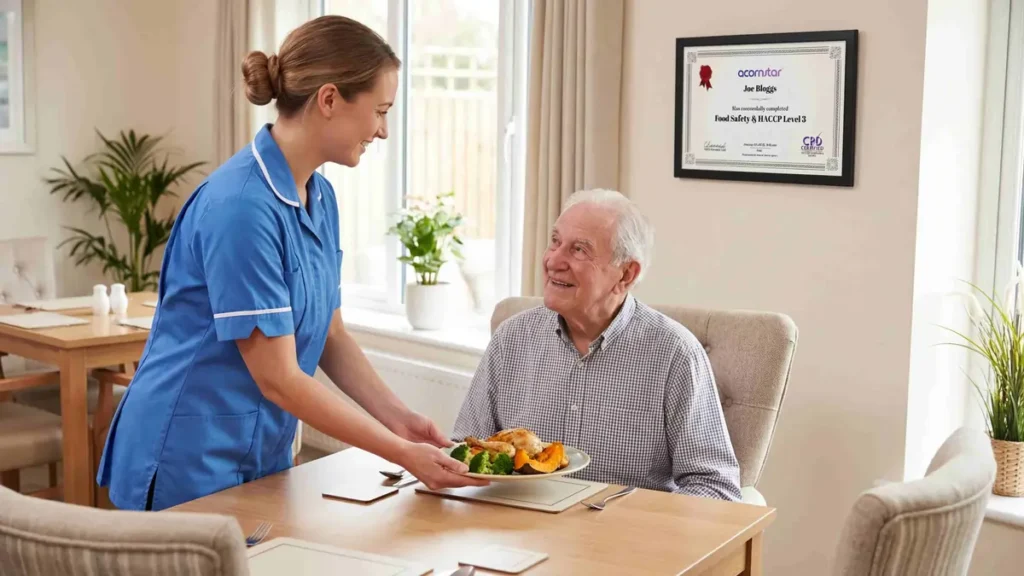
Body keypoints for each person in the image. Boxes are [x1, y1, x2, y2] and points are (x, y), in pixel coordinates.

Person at [97, 15, 486, 512]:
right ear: (329, 100)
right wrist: (401, 454)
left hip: (259, 454)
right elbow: (277, 377)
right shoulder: (241, 207)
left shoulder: (319, 197)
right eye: (380, 111)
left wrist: (400, 420)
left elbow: (331, 334)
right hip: (185, 456)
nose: (383, 131)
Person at [451, 189, 741, 500]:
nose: (554, 260)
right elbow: (464, 451)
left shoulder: (674, 353)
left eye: (579, 250)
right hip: (517, 531)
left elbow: (716, 488)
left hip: (623, 538)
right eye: (555, 241)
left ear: (626, 274)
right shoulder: (512, 338)